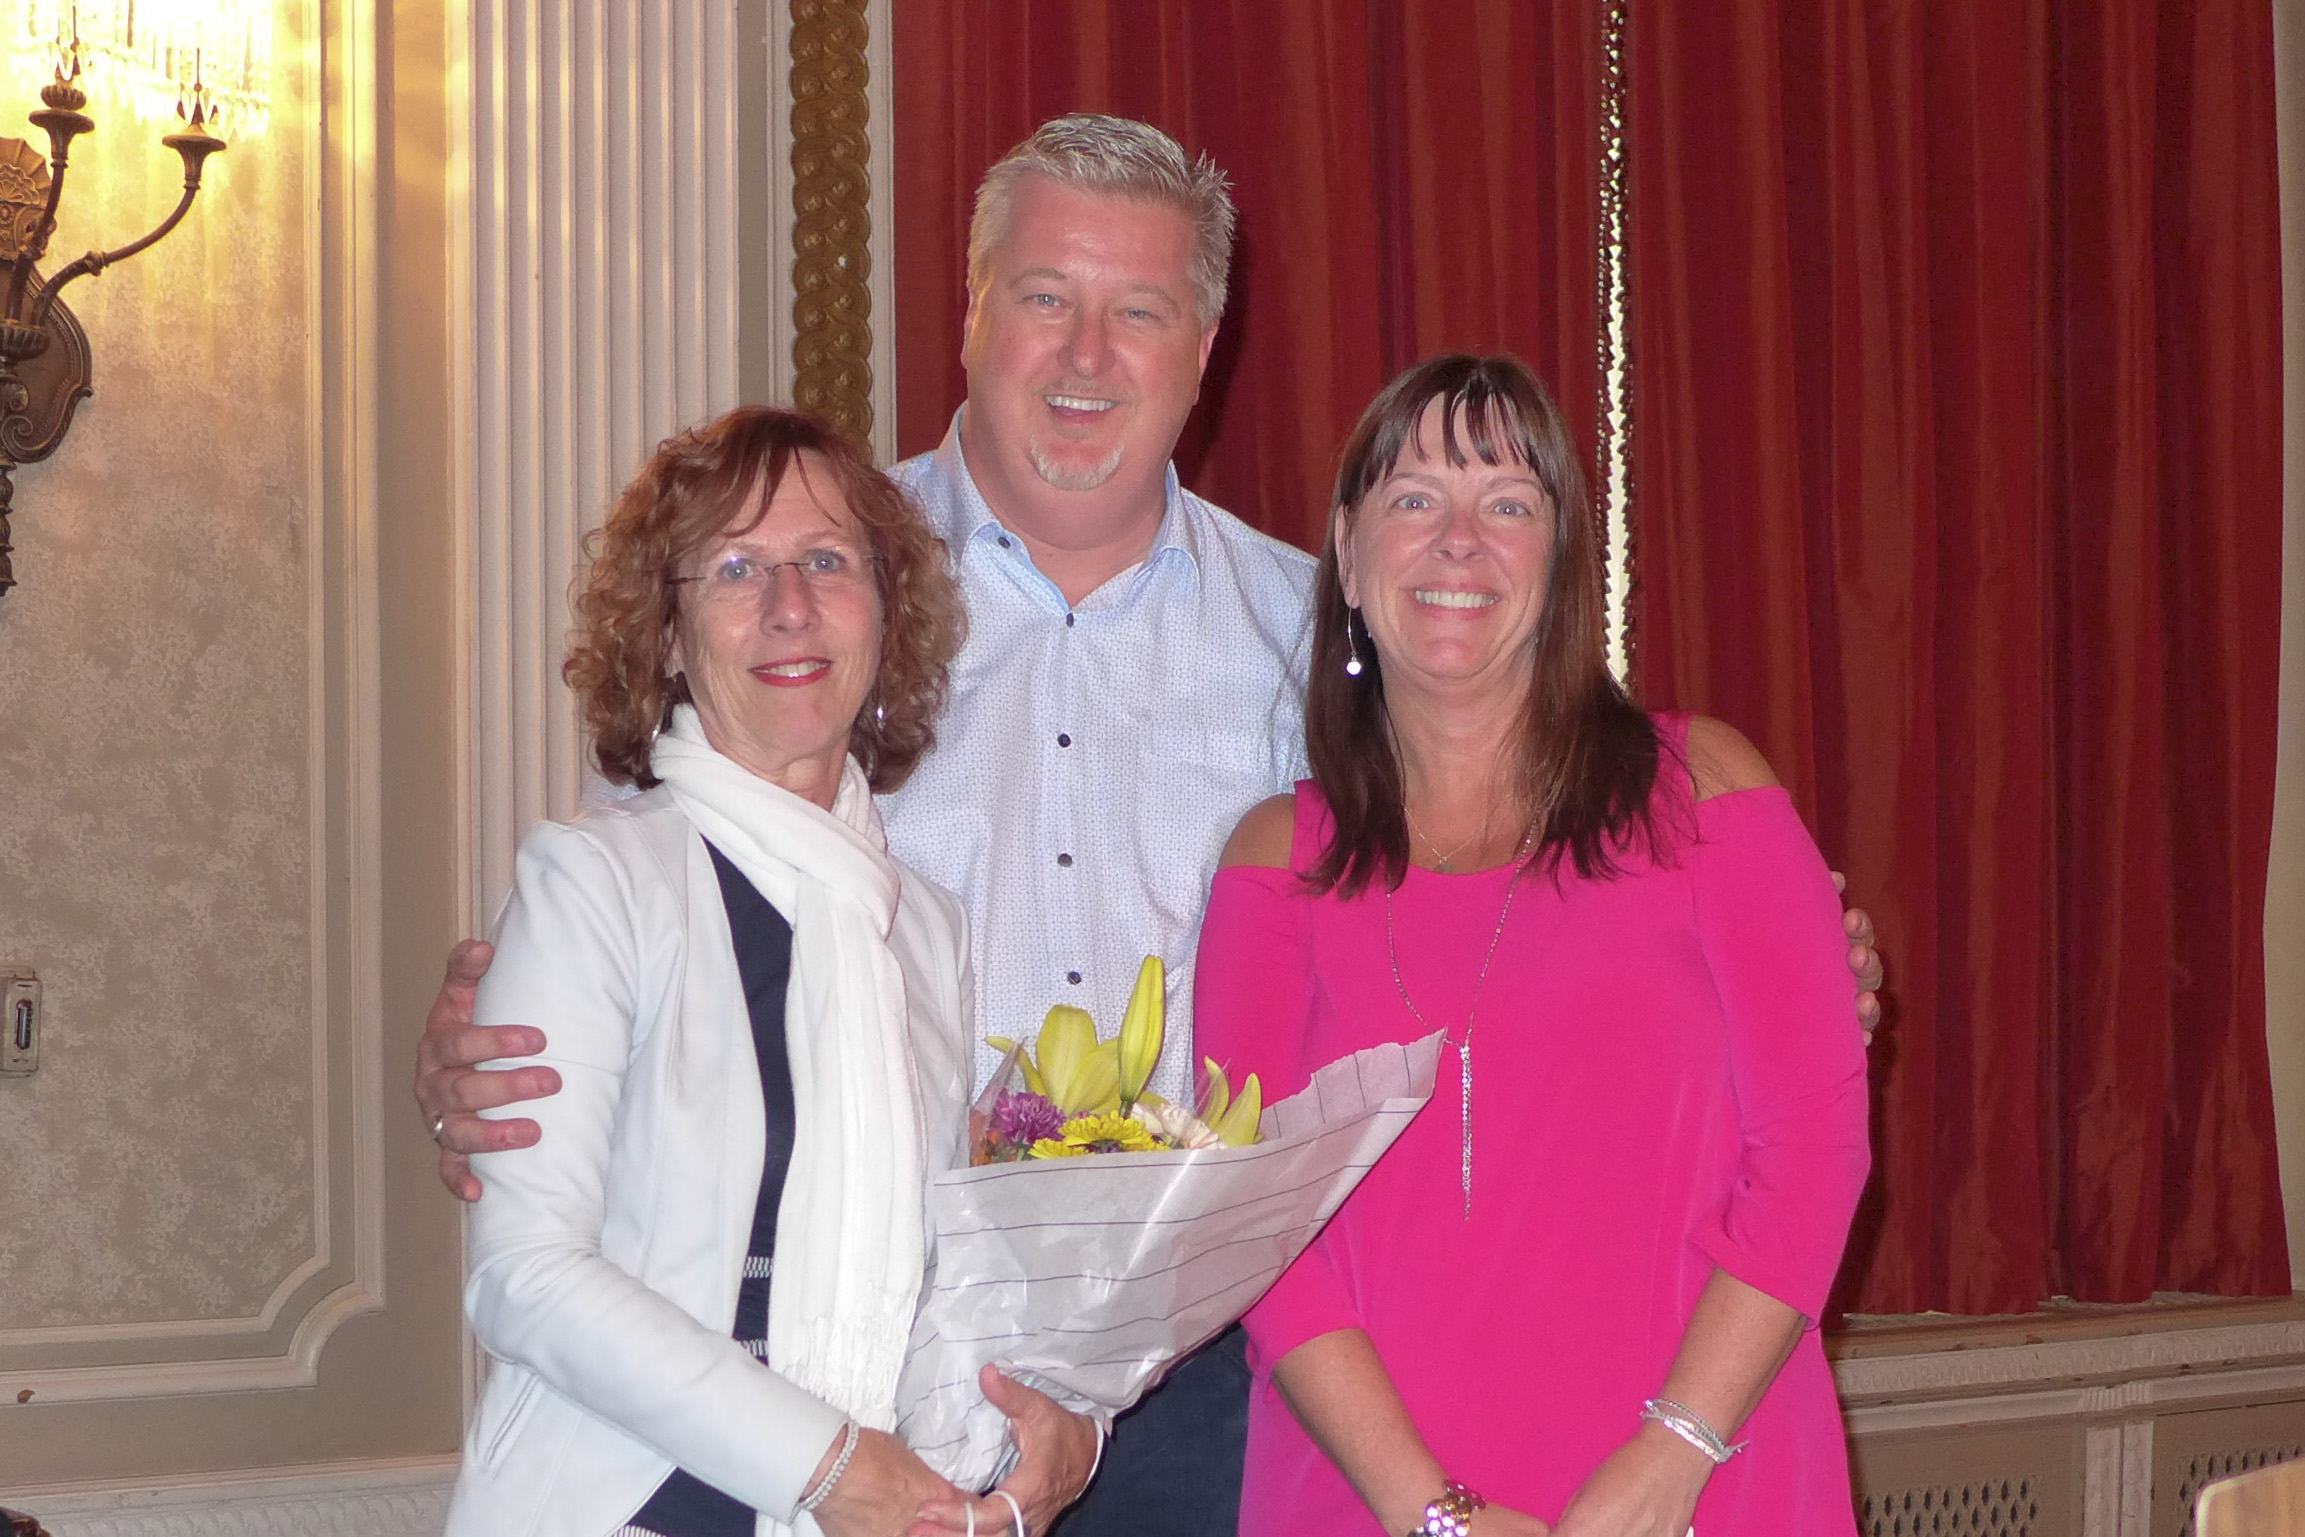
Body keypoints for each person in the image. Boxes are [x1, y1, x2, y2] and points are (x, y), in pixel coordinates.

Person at [416, 117, 1884, 1536]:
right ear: (974, 310)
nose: (1086, 354)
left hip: (1214, 1390)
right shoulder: (818, 602)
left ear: (1203, 354)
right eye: (1046, 297)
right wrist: (481, 1048)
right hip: (870, 1375)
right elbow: (651, 913)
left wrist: (1801, 972)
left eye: (1142, 310)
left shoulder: (1315, 640)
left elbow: (1545, 897)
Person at [1195, 354, 1870, 1536]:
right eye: (1414, 498)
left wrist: (1672, 1456)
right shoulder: (1271, 860)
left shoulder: (1705, 787)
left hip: (1705, 1478)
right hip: (1365, 1501)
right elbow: (1253, 1226)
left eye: (1508, 502)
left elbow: (1813, 1151)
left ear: (1559, 560)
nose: (1459, 539)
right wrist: (1437, 1516)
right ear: (1346, 557)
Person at [442, 407, 1097, 1537]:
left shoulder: (925, 930)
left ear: (885, 616)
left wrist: (1037, 1435)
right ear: (664, 634)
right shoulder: (594, 885)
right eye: (737, 566)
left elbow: (938, 1274)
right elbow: (523, 1274)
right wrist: (827, 1464)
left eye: (827, 561)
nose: (790, 605)